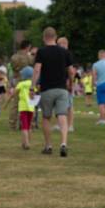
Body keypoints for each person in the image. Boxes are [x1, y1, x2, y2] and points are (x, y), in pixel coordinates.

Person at [31, 27, 74, 157]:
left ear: (44, 38)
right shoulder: (65, 52)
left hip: (47, 89)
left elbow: (37, 70)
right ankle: (63, 143)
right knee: (62, 115)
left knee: (46, 117)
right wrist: (71, 83)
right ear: (55, 37)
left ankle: (48, 145)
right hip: (62, 89)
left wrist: (32, 86)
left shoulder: (41, 52)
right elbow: (71, 71)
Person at [8, 40, 34, 130]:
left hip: (17, 80)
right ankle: (24, 124)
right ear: (28, 47)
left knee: (15, 103)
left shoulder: (14, 57)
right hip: (27, 82)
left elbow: (12, 67)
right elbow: (33, 64)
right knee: (28, 103)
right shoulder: (29, 57)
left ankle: (12, 124)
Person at [13, 65, 34, 149]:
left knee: (24, 127)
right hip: (31, 107)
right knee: (29, 126)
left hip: (23, 107)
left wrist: (7, 102)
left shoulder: (21, 84)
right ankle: (25, 142)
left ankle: (26, 144)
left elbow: (15, 93)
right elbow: (34, 94)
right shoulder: (32, 84)